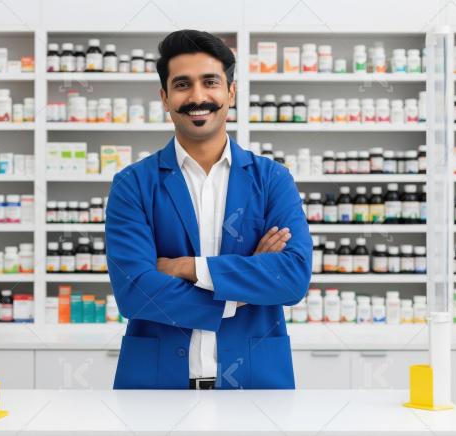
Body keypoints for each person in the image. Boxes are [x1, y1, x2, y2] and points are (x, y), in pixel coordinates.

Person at [106, 29, 312, 390]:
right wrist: (241, 290)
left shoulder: (272, 180)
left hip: (255, 385)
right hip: (156, 388)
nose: (198, 97)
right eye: (182, 84)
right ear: (165, 98)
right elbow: (135, 290)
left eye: (210, 82)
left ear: (230, 92)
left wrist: (186, 267)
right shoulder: (133, 184)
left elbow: (291, 277)